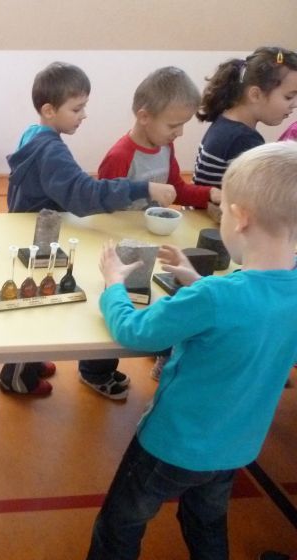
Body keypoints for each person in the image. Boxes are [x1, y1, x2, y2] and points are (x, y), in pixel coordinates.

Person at [51, 141, 297, 560]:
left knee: (122, 522)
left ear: (240, 218)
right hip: (236, 446)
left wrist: (113, 286)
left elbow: (136, 331)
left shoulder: (214, 298)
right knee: (207, 520)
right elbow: (249, 317)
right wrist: (193, 279)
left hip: (173, 444)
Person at [0, 62, 176, 398]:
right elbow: (83, 195)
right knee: (38, 304)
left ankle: (28, 363)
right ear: (49, 110)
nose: (84, 115)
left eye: (84, 107)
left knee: (39, 297)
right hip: (39, 238)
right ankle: (17, 376)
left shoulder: (34, 133)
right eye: (76, 108)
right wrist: (142, 188)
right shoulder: (51, 149)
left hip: (30, 229)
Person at [98, 66, 221, 383]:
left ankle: (162, 349)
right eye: (173, 125)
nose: (179, 133)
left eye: (183, 125)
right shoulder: (120, 155)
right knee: (118, 299)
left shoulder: (166, 147)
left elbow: (176, 189)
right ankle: (96, 370)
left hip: (154, 240)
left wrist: (208, 193)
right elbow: (103, 202)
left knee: (161, 296)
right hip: (121, 243)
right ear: (144, 116)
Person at [193, 47, 297, 187]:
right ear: (255, 95)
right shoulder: (244, 140)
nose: (294, 105)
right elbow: (255, 195)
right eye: (289, 97)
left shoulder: (225, 121)